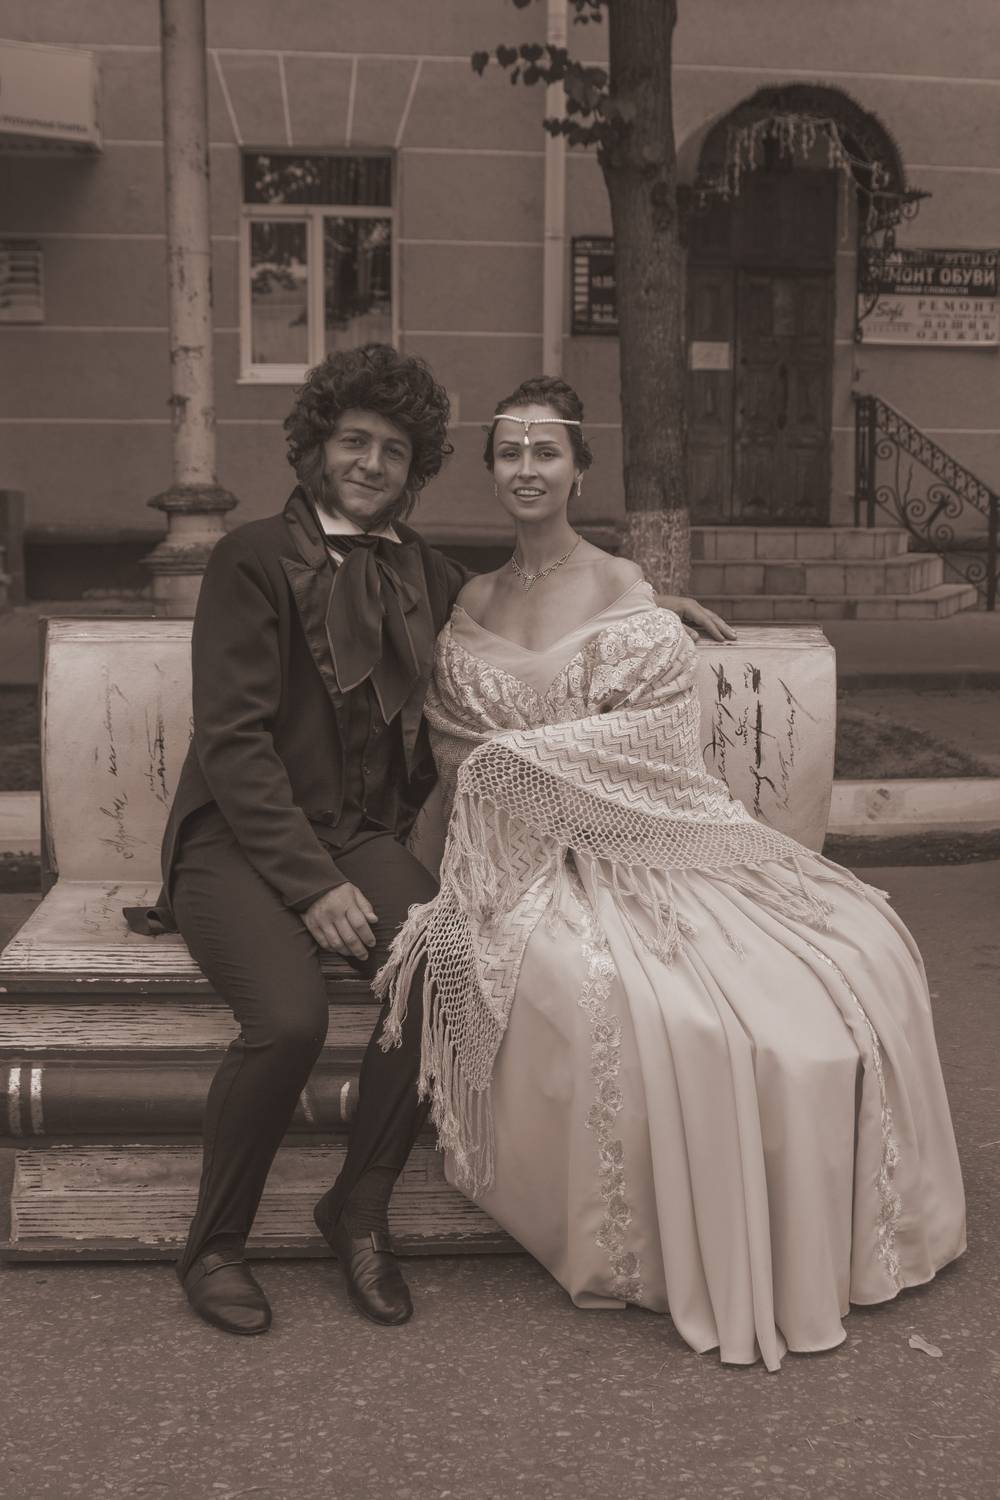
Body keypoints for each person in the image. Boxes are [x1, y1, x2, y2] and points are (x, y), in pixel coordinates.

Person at [132, 346, 727, 1338]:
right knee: (289, 1020)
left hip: (354, 838)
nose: (371, 463)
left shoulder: (416, 568)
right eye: (353, 441)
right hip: (236, 842)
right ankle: (216, 1245)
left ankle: (356, 1210)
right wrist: (312, 884)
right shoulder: (250, 558)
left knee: (448, 966)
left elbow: (530, 600)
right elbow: (232, 746)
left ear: (416, 468)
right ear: (315, 447)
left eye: (394, 450)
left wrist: (645, 605)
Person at [376, 375, 967, 1371]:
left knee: (782, 996)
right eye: (509, 453)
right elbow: (452, 742)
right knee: (601, 990)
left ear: (580, 468)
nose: (527, 469)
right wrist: (504, 770)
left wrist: (517, 756)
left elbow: (652, 744)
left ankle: (773, 1223)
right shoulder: (467, 596)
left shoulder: (621, 590)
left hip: (633, 846)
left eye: (547, 452)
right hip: (511, 862)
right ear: (490, 470)